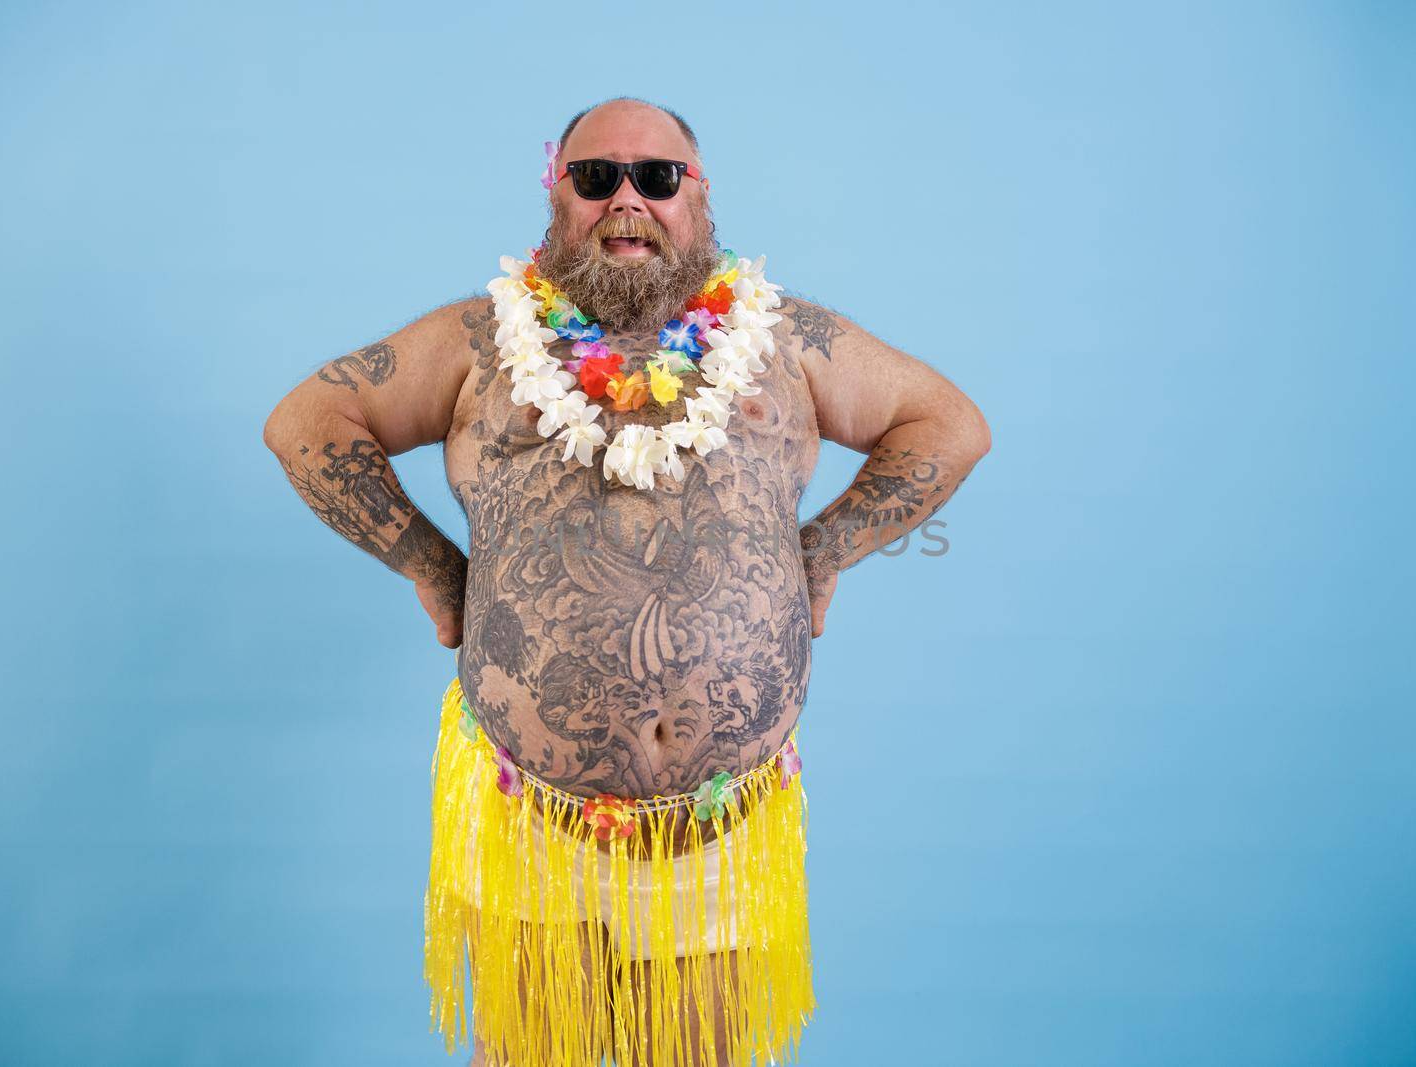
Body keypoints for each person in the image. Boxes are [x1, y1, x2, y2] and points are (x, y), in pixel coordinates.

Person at [262, 96, 992, 1067]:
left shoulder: (788, 344)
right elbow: (307, 423)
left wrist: (824, 553)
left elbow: (947, 423)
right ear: (554, 191)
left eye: (657, 176)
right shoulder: (480, 341)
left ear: (699, 196)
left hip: (723, 825)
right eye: (594, 175)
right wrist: (432, 570)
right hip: (532, 818)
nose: (627, 198)